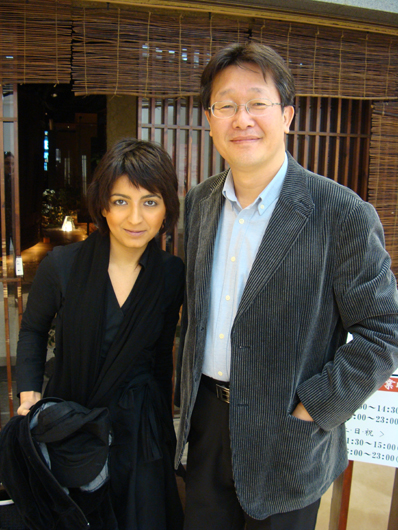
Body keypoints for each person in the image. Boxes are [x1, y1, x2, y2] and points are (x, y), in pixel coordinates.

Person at [174, 42, 398, 530]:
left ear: (288, 115)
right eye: (226, 105)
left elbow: (385, 332)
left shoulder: (341, 212)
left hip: (290, 433)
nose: (242, 118)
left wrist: (311, 410)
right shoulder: (199, 204)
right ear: (210, 120)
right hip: (207, 425)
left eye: (257, 103)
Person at [16, 138, 185, 529]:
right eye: (122, 201)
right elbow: (33, 330)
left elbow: (162, 355)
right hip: (74, 413)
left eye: (150, 202)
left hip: (139, 424)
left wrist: (164, 428)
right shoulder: (63, 265)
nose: (135, 218)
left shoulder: (171, 274)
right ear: (104, 205)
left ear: (166, 211)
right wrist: (30, 393)